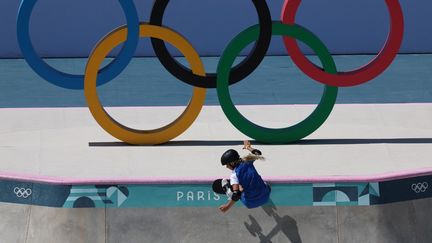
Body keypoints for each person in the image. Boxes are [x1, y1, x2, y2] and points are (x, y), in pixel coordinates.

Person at [215, 140, 271, 213]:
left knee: (237, 189)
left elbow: (236, 195)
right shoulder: (247, 161)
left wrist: (227, 207)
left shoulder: (234, 175)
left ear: (232, 162)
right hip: (266, 197)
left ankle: (229, 190)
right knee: (265, 185)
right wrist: (248, 147)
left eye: (227, 164)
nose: (226, 167)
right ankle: (243, 187)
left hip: (250, 203)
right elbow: (258, 153)